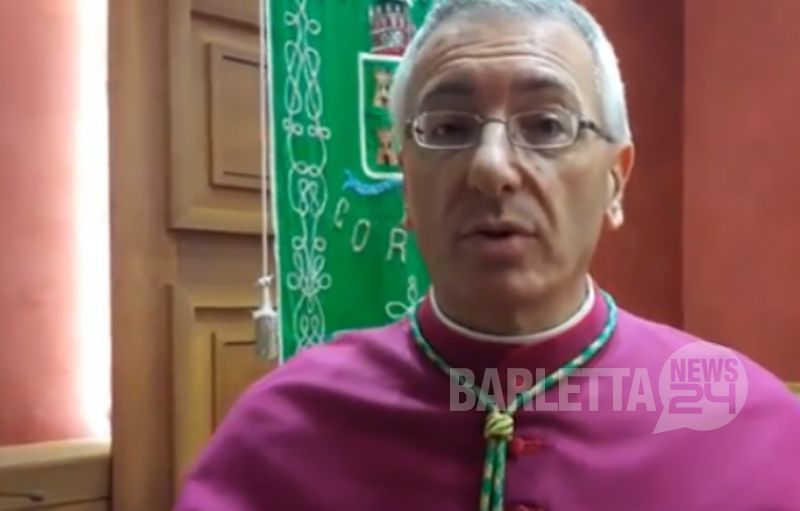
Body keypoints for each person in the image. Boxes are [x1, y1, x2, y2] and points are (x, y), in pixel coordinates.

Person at [174, 1, 800, 510]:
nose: (491, 168)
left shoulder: (749, 429)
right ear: (406, 185)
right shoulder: (286, 430)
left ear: (615, 181)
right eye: (448, 129)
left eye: (546, 125)